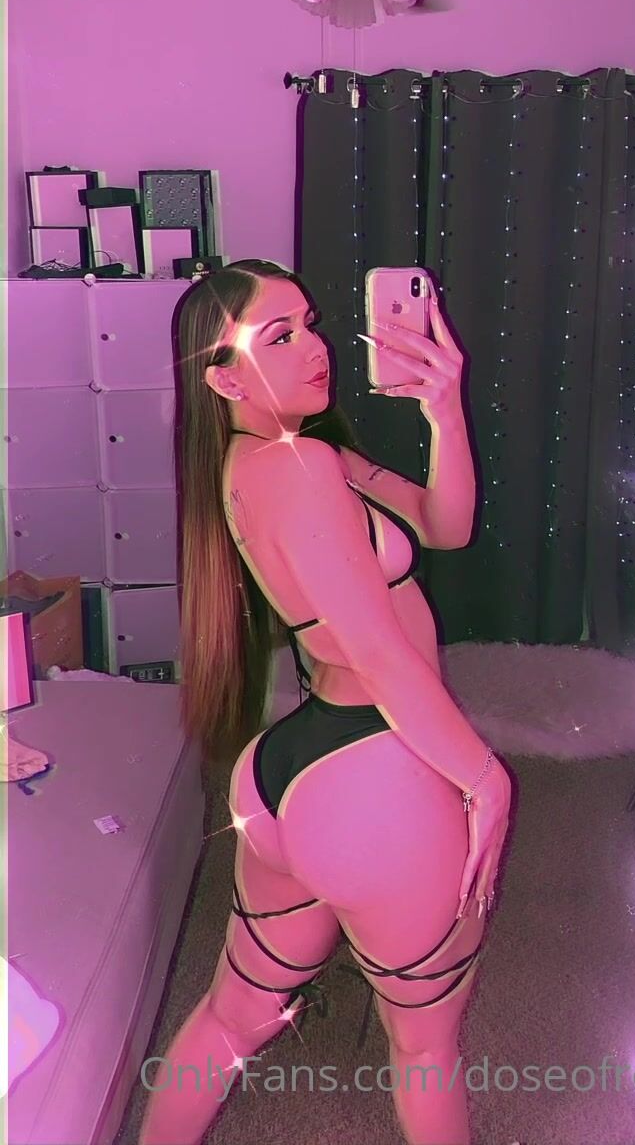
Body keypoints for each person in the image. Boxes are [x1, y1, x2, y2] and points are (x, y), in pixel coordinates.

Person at [139, 260, 511, 1145]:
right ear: (224, 379)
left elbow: (446, 524)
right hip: (372, 770)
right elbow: (374, 654)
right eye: (279, 337)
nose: (316, 349)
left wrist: (444, 410)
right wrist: (485, 778)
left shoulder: (288, 458)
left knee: (233, 1019)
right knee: (424, 1049)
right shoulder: (296, 465)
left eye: (309, 324)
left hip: (292, 772)